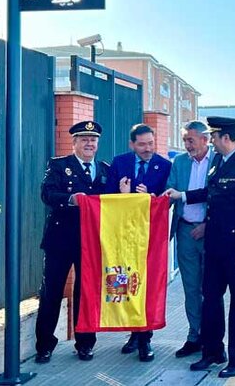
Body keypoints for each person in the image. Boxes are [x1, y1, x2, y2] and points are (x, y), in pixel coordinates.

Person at [166, 117, 235, 379]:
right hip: (215, 247)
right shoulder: (219, 162)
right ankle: (212, 352)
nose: (212, 142)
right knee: (210, 299)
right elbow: (210, 192)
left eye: (214, 137)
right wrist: (182, 195)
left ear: (225, 138)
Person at [34, 121, 108, 363]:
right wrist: (70, 199)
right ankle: (45, 344)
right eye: (84, 139)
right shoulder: (59, 165)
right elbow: (47, 194)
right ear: (74, 142)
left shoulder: (105, 170)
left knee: (86, 294)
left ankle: (85, 343)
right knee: (52, 292)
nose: (89, 143)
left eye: (93, 139)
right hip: (60, 240)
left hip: (91, 242)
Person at [106, 123, 172, 362]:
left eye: (151, 143)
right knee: (127, 283)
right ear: (131, 144)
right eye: (142, 144)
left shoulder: (164, 166)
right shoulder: (120, 162)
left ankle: (146, 339)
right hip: (124, 238)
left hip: (151, 239)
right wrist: (121, 195)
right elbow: (106, 197)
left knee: (148, 285)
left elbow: (169, 199)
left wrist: (152, 199)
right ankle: (134, 333)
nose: (147, 149)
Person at [165, 120, 216, 358]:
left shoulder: (218, 161)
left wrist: (207, 225)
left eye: (191, 140)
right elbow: (171, 190)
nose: (187, 145)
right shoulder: (180, 162)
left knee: (211, 288)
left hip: (210, 232)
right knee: (191, 288)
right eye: (185, 140)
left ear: (205, 140)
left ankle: (211, 338)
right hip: (185, 232)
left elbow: (220, 198)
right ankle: (193, 336)